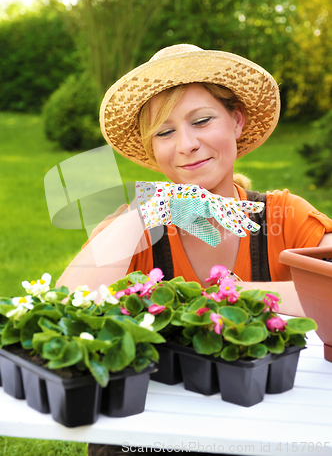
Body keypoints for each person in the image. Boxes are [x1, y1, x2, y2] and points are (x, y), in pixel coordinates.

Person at [57, 44, 332, 456]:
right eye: (165, 133)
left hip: (267, 420)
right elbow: (65, 303)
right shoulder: (132, 229)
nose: (186, 144)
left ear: (236, 121)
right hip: (155, 429)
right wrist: (147, 210)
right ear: (153, 151)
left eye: (202, 121)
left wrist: (235, 295)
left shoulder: (284, 216)